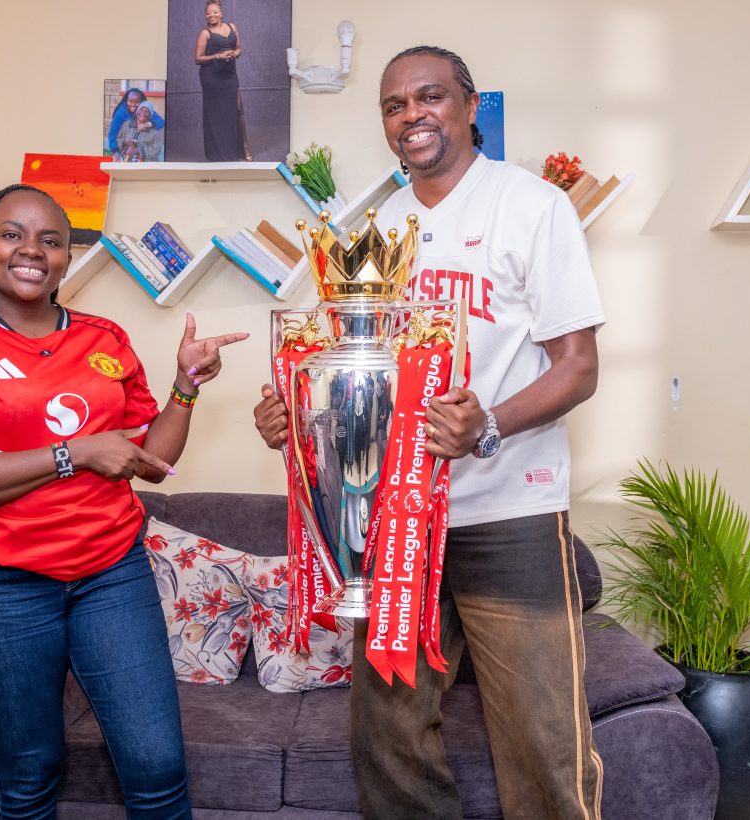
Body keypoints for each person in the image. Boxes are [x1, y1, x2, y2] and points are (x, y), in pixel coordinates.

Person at [253, 46, 605, 819]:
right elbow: (343, 374)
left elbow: (579, 367)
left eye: (430, 97)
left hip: (509, 509)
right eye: (393, 105)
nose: (411, 115)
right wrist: (293, 415)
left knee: (543, 738)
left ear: (470, 105)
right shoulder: (370, 229)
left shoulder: (533, 205)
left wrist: (488, 426)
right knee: (389, 735)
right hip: (394, 519)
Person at [0, 183, 246, 819]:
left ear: (66, 258)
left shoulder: (103, 338)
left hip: (111, 573)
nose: (32, 250)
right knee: (30, 775)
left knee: (158, 765)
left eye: (51, 240)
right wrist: (76, 453)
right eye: (12, 234)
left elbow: (155, 462)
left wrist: (186, 386)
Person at [195, 0, 251, 161]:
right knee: (216, 114)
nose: (211, 15)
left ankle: (245, 149)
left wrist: (235, 54)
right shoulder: (205, 33)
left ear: (221, 13)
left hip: (229, 75)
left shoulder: (232, 27)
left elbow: (239, 48)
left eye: (214, 12)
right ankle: (218, 153)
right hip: (211, 77)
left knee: (237, 109)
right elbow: (197, 59)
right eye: (208, 13)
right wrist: (218, 56)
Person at [107, 88, 165, 157]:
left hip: (141, 148)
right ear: (126, 101)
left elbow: (161, 122)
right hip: (124, 148)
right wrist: (115, 151)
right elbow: (112, 133)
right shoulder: (120, 113)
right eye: (130, 101)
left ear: (141, 102)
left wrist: (147, 124)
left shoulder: (143, 111)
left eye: (137, 102)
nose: (133, 105)